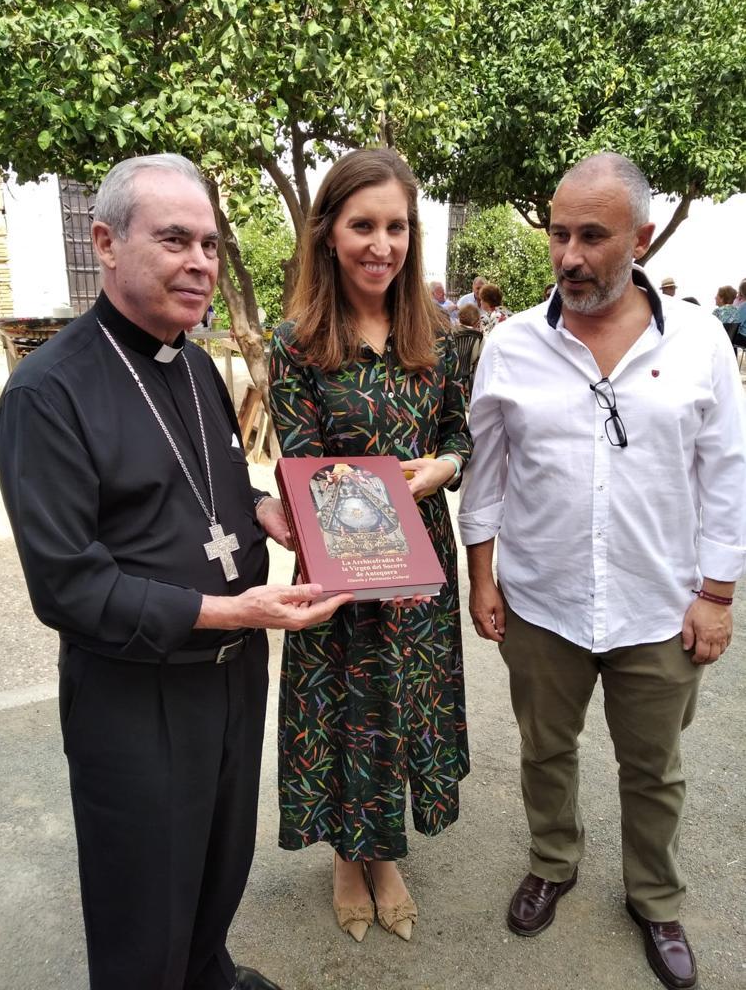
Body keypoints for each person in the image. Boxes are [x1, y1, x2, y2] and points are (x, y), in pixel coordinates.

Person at [0, 154, 352, 990]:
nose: (200, 261)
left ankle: (208, 975)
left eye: (210, 244)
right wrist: (237, 613)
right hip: (135, 691)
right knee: (141, 902)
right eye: (175, 240)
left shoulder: (193, 364)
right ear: (107, 243)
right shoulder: (47, 394)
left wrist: (264, 509)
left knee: (216, 868)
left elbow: (207, 495)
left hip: (229, 682)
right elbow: (68, 589)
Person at [458, 152, 746, 990]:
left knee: (653, 766)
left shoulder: (695, 341)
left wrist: (716, 595)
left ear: (641, 239)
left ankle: (654, 899)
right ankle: (554, 859)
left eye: (593, 236)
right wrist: (482, 575)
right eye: (558, 234)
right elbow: (488, 471)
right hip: (541, 598)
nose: (570, 256)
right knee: (547, 748)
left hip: (657, 606)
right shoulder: (510, 345)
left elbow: (724, 474)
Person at [268, 148, 472, 945]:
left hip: (420, 560)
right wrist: (366, 489)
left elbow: (459, 430)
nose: (379, 244)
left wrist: (443, 466)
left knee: (397, 707)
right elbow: (299, 457)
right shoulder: (297, 343)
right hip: (341, 556)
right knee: (344, 710)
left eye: (394, 226)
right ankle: (345, 862)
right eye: (362, 225)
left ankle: (383, 855)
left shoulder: (439, 337)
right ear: (327, 233)